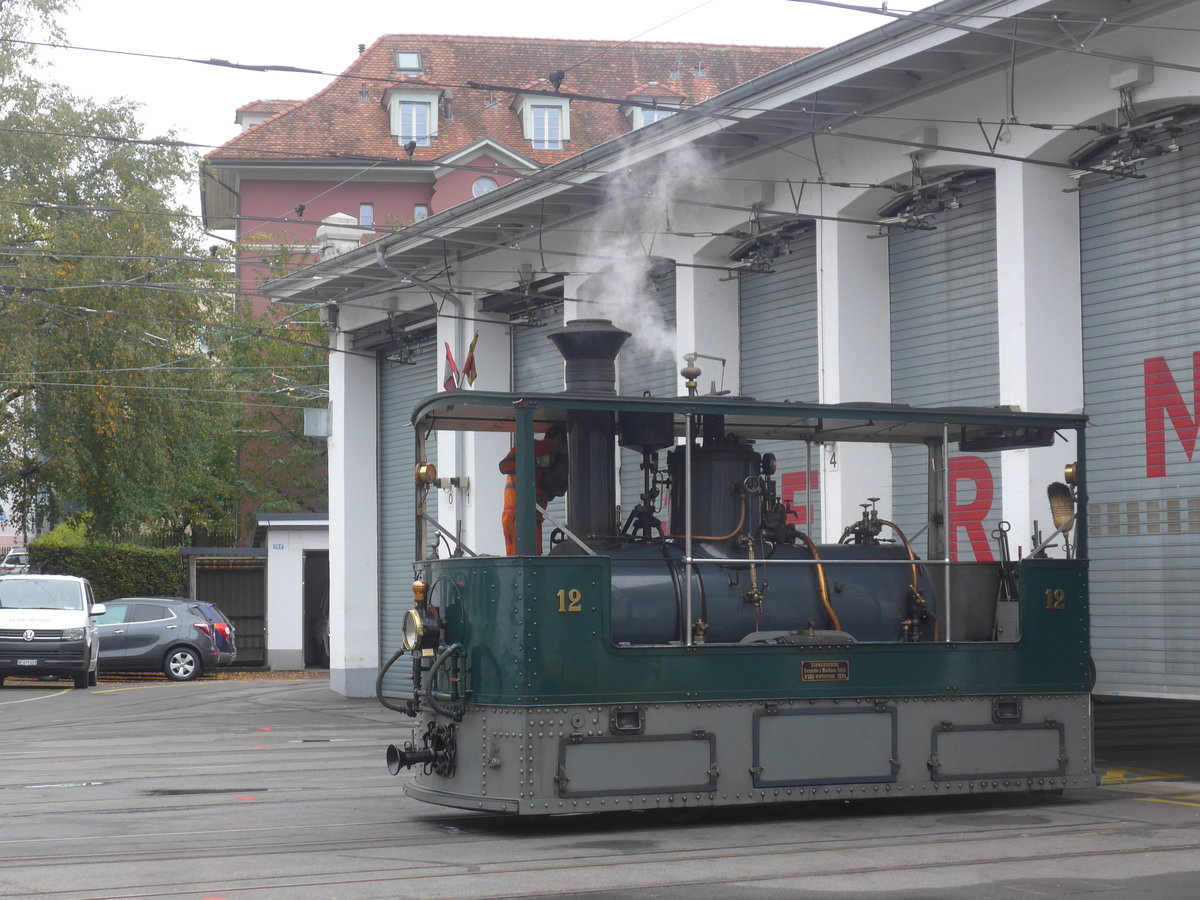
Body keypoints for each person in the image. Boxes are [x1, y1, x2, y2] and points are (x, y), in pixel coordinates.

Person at [499, 424, 568, 555]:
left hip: (534, 514)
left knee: (534, 556)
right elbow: (503, 466)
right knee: (519, 557)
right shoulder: (529, 447)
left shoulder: (554, 459)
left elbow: (545, 489)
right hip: (517, 513)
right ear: (559, 439)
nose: (563, 450)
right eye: (565, 445)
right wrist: (535, 462)